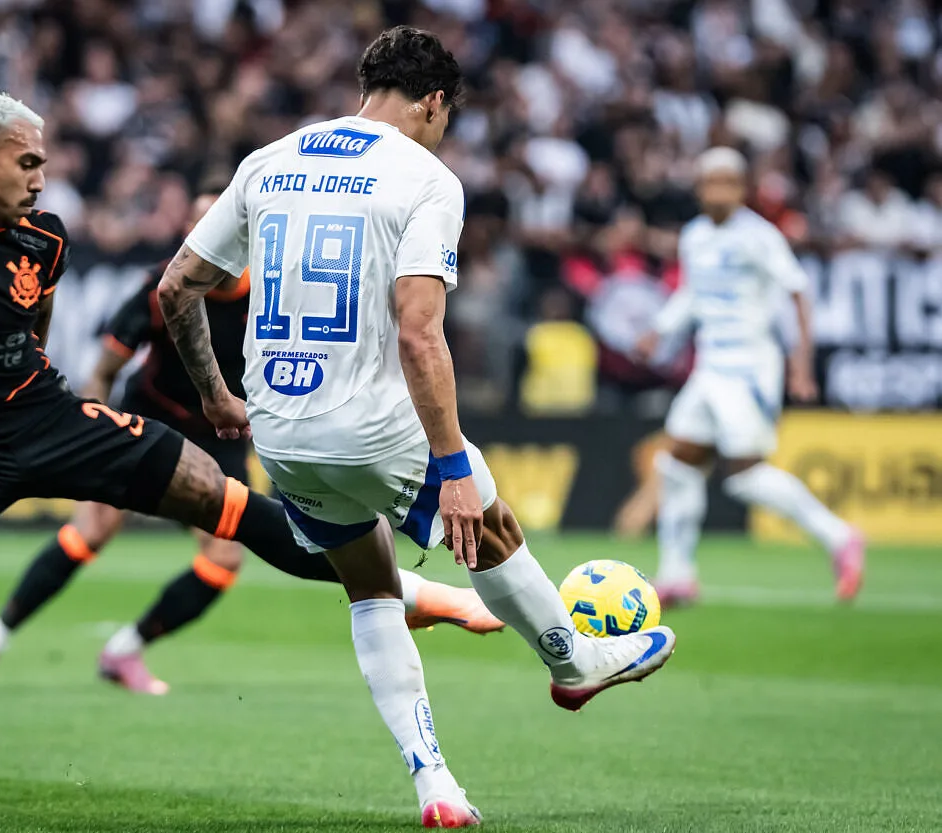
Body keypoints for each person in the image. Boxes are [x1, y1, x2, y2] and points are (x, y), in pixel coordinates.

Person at [0, 91, 483, 814]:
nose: (41, 180)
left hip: (48, 419)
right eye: (28, 162)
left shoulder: (45, 238)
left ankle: (407, 595)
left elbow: (32, 329)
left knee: (224, 501)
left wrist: (58, 395)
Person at [156, 26, 676, 828]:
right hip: (371, 423)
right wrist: (451, 464)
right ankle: (575, 663)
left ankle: (434, 781)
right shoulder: (426, 178)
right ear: (434, 102)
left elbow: (176, 287)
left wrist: (219, 396)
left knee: (371, 586)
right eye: (447, 115)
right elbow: (419, 330)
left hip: (281, 429)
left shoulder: (270, 159)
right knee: (492, 528)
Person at [0, 185, 503, 697]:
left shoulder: (276, 290)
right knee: (91, 530)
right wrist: (89, 425)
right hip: (152, 417)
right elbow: (105, 369)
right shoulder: (170, 285)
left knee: (223, 560)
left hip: (223, 433)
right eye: (196, 222)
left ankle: (125, 650)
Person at [634, 147, 865, 608]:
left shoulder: (759, 237)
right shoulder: (696, 235)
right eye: (708, 183)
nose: (716, 192)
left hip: (748, 370)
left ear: (741, 189)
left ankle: (840, 537)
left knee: (744, 475)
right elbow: (692, 295)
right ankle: (678, 575)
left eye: (725, 183)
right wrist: (660, 329)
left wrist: (801, 364)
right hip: (709, 368)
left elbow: (797, 293)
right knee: (678, 464)